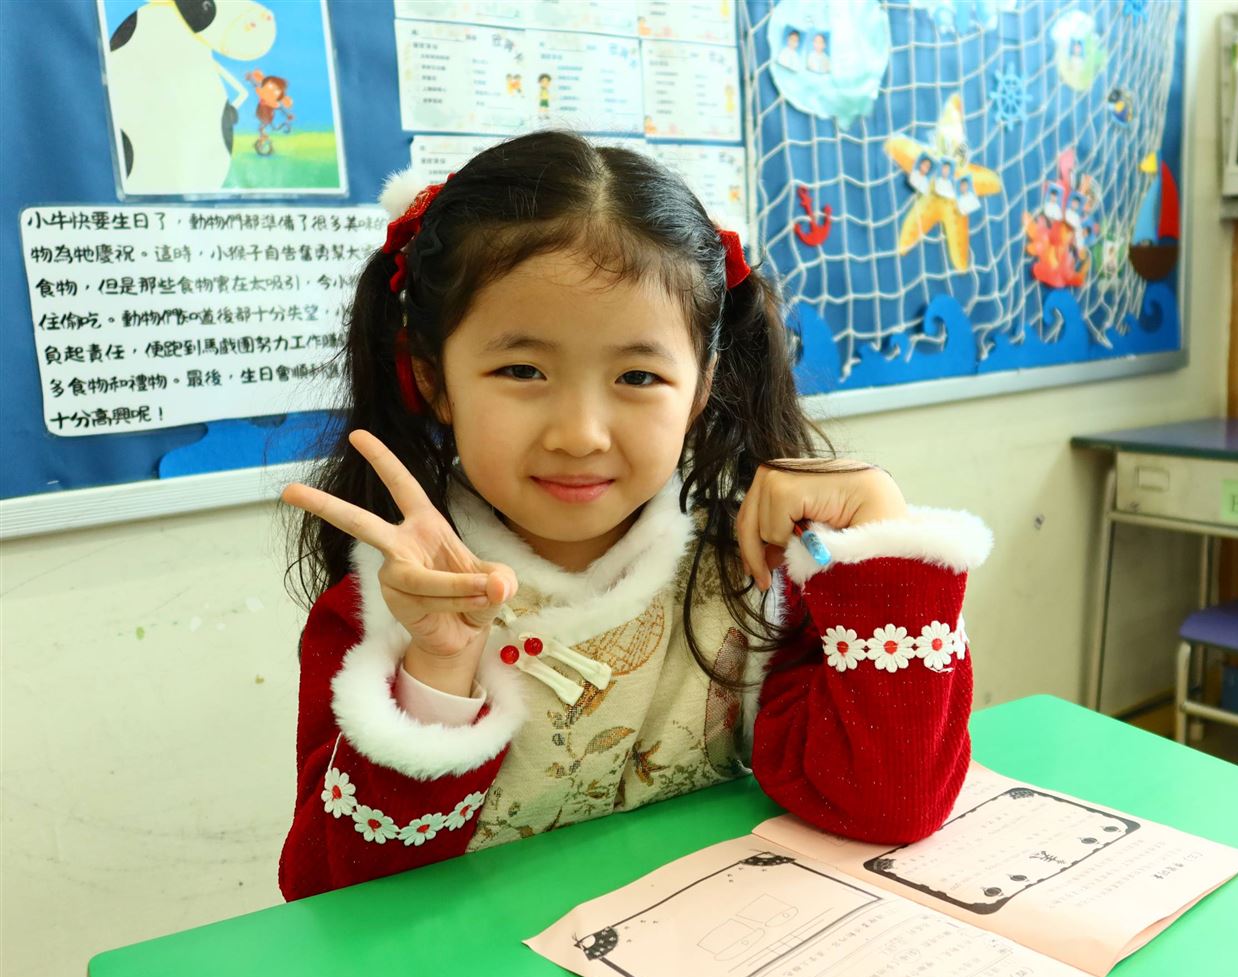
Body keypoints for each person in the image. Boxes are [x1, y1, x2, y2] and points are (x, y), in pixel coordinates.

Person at [277, 130, 990, 901]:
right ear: (433, 378)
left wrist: (883, 539)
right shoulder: (388, 605)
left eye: (639, 376)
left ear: (703, 384)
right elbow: (331, 891)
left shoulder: (752, 580)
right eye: (522, 369)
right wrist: (438, 671)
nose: (581, 434)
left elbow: (891, 805)